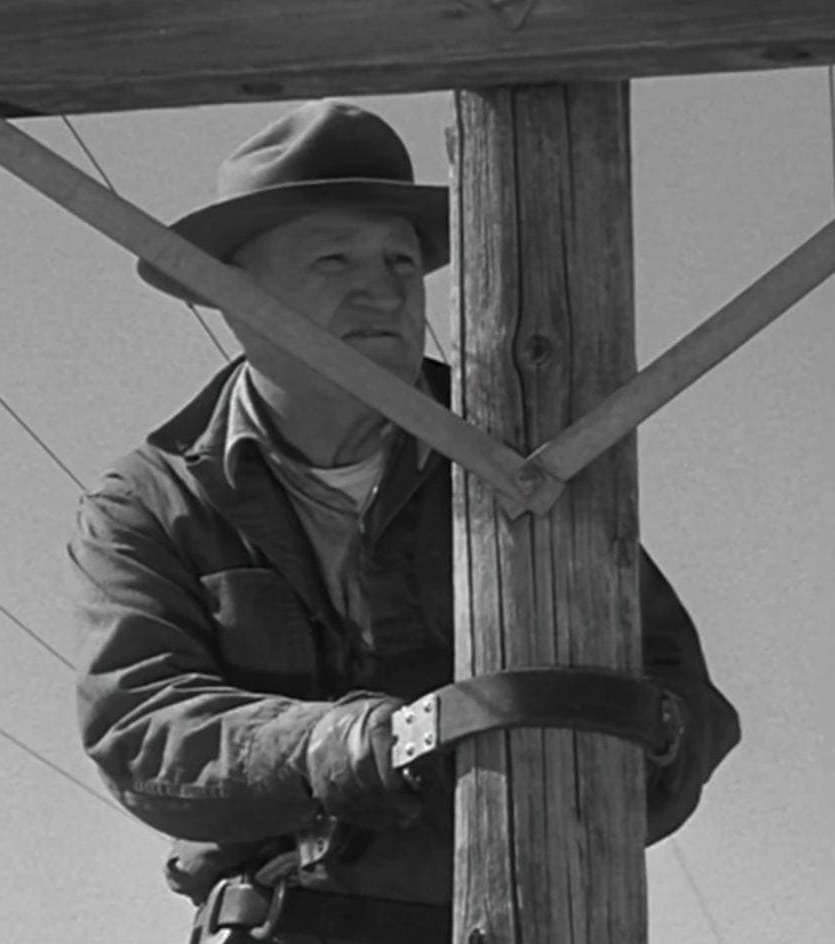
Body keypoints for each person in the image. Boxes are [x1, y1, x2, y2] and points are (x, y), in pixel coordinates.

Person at [67, 100, 739, 942]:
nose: (382, 289)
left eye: (401, 261)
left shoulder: (525, 459)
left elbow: (682, 697)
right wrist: (345, 744)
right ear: (232, 293)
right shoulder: (154, 499)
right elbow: (139, 726)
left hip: (523, 913)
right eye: (334, 259)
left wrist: (639, 742)